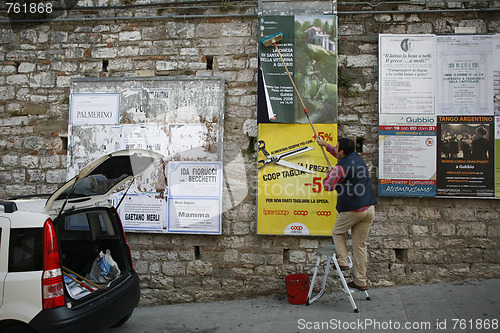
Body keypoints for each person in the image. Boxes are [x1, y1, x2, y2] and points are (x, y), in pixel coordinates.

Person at [316, 136, 377, 291]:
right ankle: (361, 281)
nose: (335, 149)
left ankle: (343, 261)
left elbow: (328, 186)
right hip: (369, 208)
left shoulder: (339, 169)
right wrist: (324, 145)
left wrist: (329, 174)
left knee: (337, 232)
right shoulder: (357, 157)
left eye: (337, 147)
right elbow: (338, 154)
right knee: (360, 246)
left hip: (353, 209)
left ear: (342, 152)